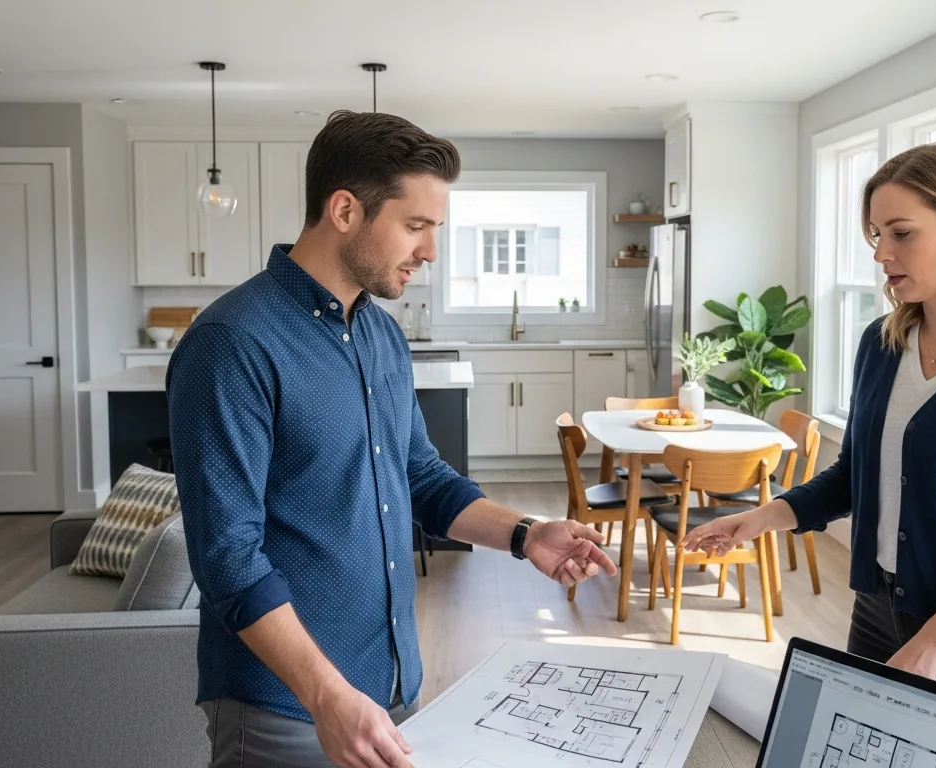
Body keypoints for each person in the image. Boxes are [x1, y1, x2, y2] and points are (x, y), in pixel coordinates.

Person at [167, 109, 617, 768]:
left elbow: (423, 479)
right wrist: (327, 697)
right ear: (345, 210)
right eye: (415, 227)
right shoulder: (233, 344)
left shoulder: (380, 334)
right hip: (289, 708)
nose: (431, 252)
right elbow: (227, 559)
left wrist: (525, 534)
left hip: (393, 688)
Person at [683, 141, 936, 714]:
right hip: (878, 614)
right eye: (876, 234)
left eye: (901, 233)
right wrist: (759, 519)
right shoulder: (881, 343)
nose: (881, 253)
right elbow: (858, 475)